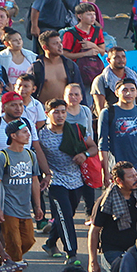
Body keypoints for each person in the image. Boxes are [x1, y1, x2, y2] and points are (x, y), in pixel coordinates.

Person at [40, 98, 96, 263]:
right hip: (55, 181)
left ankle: (50, 243)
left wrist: (84, 154)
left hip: (76, 180)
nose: (60, 115)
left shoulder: (76, 129)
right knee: (65, 216)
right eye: (56, 112)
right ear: (47, 114)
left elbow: (93, 148)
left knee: (67, 214)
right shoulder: (40, 136)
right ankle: (72, 254)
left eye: (63, 112)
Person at [0, 119, 44, 272]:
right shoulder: (2, 157)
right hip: (8, 208)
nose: (28, 134)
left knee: (28, 240)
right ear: (13, 136)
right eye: (24, 132)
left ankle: (4, 259)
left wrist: (37, 206)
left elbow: (35, 181)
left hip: (25, 207)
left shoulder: (30, 155)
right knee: (14, 242)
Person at [89, 161, 137, 272]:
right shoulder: (106, 201)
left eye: (136, 175)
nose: (136, 179)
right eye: (130, 177)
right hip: (113, 250)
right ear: (118, 180)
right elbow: (94, 231)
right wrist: (93, 261)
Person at [98, 78, 137, 170]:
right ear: (116, 93)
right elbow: (102, 144)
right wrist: (105, 172)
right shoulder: (108, 112)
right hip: (117, 166)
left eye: (132, 90)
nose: (129, 94)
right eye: (124, 90)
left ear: (136, 92)